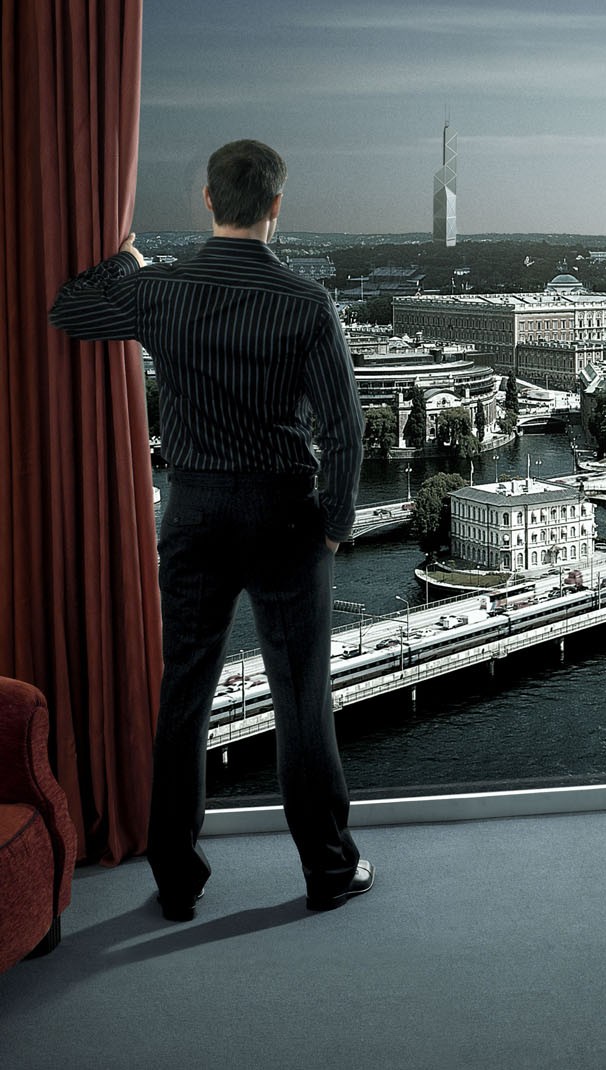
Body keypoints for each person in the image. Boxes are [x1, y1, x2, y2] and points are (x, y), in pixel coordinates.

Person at [48, 139, 373, 919]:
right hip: (283, 512)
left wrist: (126, 263)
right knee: (301, 697)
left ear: (206, 201)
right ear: (276, 206)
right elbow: (346, 429)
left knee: (184, 691)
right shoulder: (304, 301)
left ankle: (176, 879)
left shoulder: (162, 292)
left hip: (193, 511)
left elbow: (67, 310)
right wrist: (333, 524)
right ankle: (328, 870)